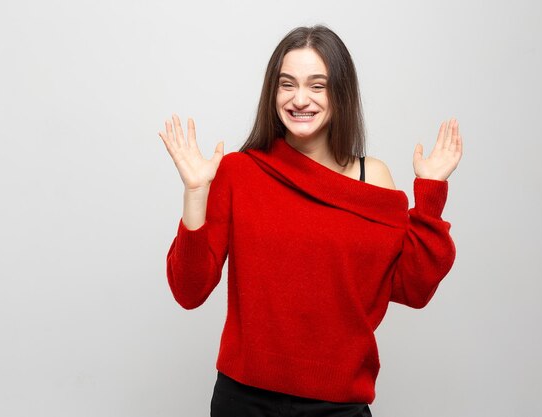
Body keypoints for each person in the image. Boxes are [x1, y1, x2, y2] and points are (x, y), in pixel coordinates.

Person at [158, 25, 462, 417]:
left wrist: (431, 194)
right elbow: (189, 289)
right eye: (288, 84)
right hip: (244, 401)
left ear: (340, 93)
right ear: (273, 93)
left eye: (317, 86)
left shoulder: (374, 177)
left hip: (338, 406)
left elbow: (412, 287)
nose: (300, 99)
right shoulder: (239, 172)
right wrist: (196, 192)